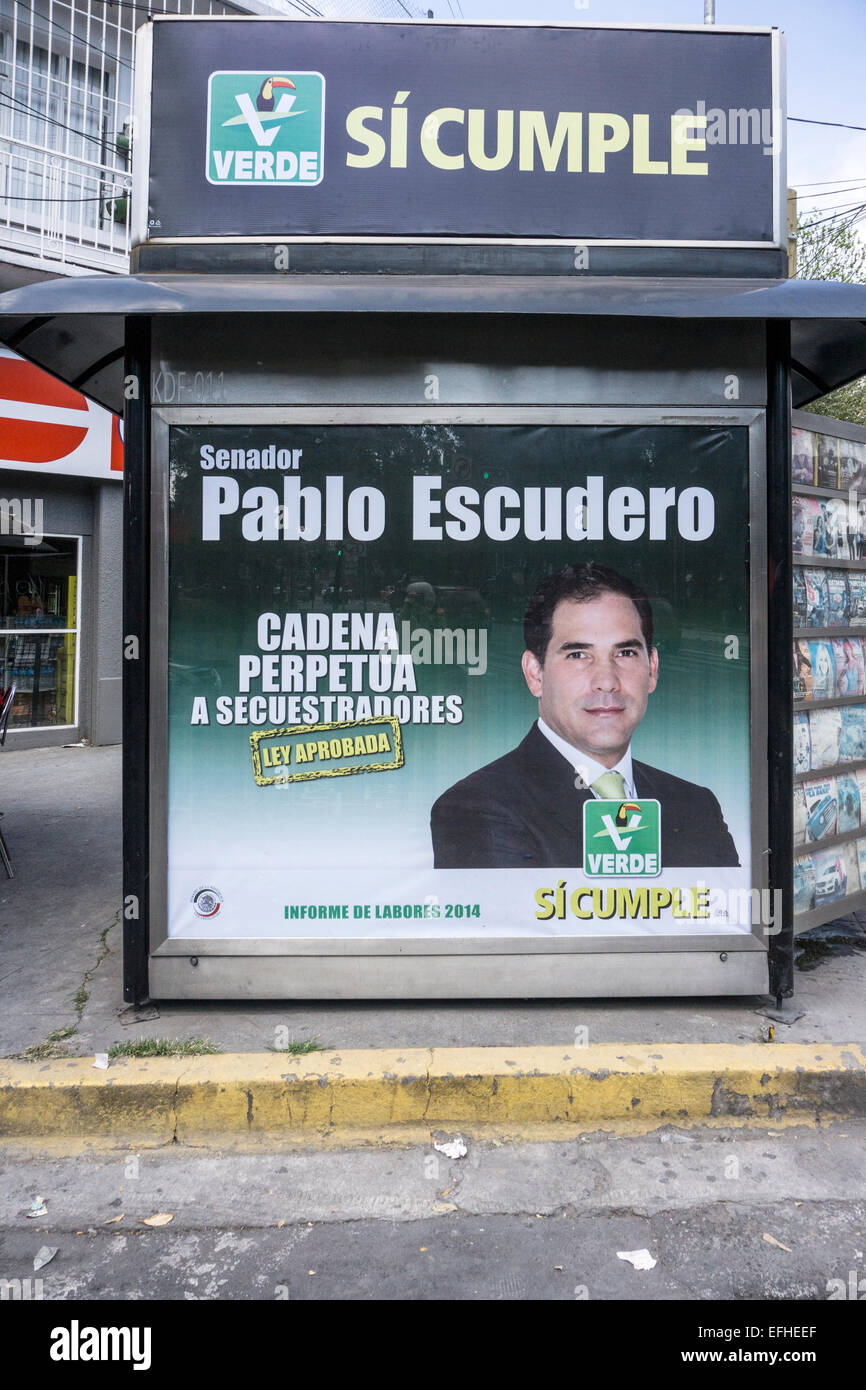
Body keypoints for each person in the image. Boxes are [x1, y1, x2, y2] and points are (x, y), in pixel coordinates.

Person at [430, 562, 739, 869]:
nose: (606, 679)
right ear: (535, 674)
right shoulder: (476, 806)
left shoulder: (697, 805)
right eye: (578, 655)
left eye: (625, 653)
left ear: (653, 669)